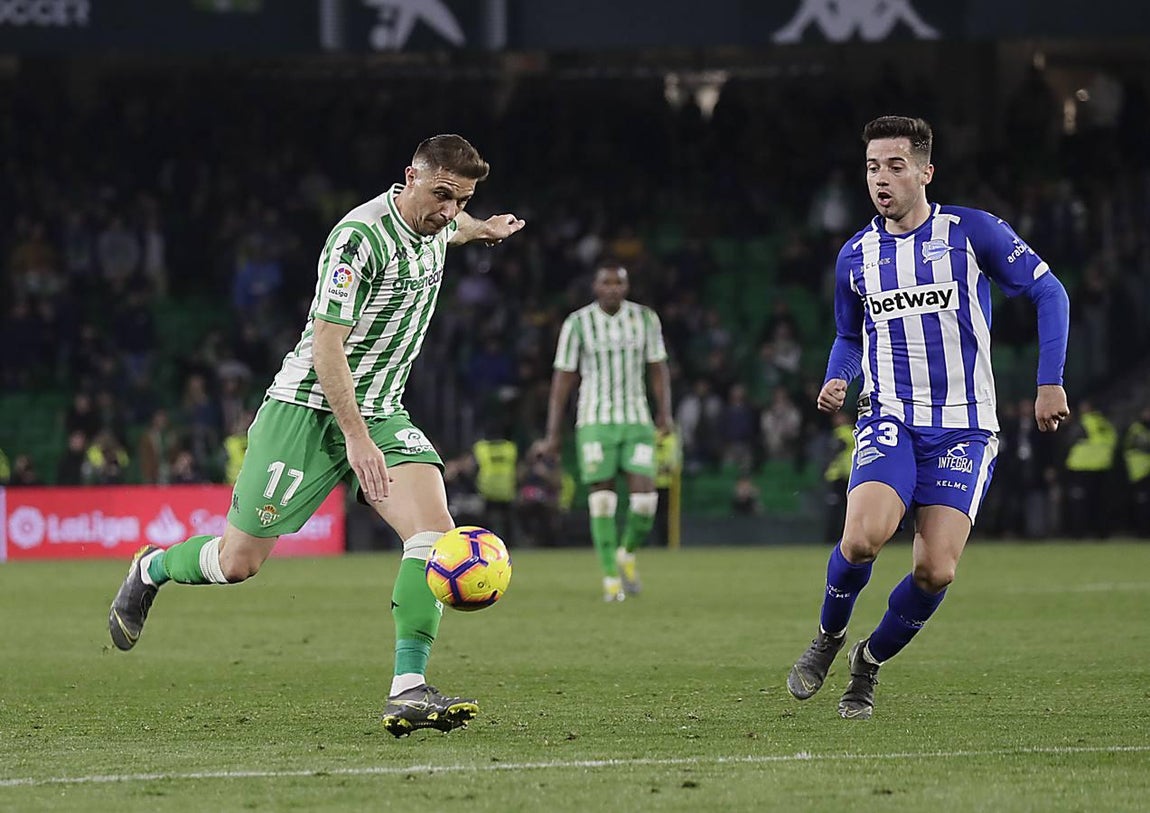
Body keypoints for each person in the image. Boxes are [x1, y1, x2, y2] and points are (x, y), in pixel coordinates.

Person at [107, 134, 525, 738]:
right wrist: (356, 440)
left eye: (460, 200)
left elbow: (449, 231)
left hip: (381, 408)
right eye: (442, 195)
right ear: (409, 176)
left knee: (434, 537)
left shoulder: (441, 225)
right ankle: (151, 569)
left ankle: (408, 689)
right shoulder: (358, 238)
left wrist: (479, 227)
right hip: (307, 409)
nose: (448, 211)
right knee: (236, 563)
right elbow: (328, 345)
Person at [786, 116, 1070, 720]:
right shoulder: (855, 256)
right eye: (871, 167)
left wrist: (1050, 383)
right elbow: (848, 335)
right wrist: (840, 375)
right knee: (863, 536)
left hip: (966, 427)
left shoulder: (971, 232)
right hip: (891, 415)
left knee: (935, 570)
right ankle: (828, 638)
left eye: (894, 166)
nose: (881, 179)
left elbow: (1051, 292)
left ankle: (867, 664)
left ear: (924, 171)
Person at [532, 265, 673, 601]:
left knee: (644, 501)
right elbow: (563, 380)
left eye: (619, 282)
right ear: (595, 287)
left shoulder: (646, 319)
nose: (612, 288)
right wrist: (553, 433)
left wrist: (664, 412)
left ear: (627, 286)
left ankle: (626, 552)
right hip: (594, 421)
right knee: (603, 498)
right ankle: (611, 577)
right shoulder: (577, 323)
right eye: (606, 282)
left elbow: (658, 368)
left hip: (637, 419)